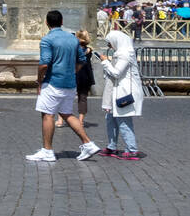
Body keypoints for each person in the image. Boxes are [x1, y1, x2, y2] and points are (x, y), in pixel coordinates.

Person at [26, 10, 100, 162]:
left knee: (47, 114)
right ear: (62, 22)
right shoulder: (72, 39)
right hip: (70, 83)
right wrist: (72, 72)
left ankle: (47, 151)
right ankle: (88, 143)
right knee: (67, 114)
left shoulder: (47, 40)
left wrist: (39, 81)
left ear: (46, 23)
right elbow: (82, 59)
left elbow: (44, 64)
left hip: (53, 82)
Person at [95, 29, 144, 159]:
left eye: (109, 43)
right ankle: (112, 146)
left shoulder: (125, 54)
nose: (109, 46)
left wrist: (105, 62)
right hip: (118, 90)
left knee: (123, 120)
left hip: (125, 91)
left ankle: (132, 149)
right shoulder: (120, 53)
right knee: (110, 118)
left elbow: (117, 72)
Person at [75, 29, 96, 120]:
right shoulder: (89, 50)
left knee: (66, 97)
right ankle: (80, 120)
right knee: (83, 97)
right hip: (86, 76)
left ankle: (60, 120)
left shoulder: (74, 49)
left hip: (74, 74)